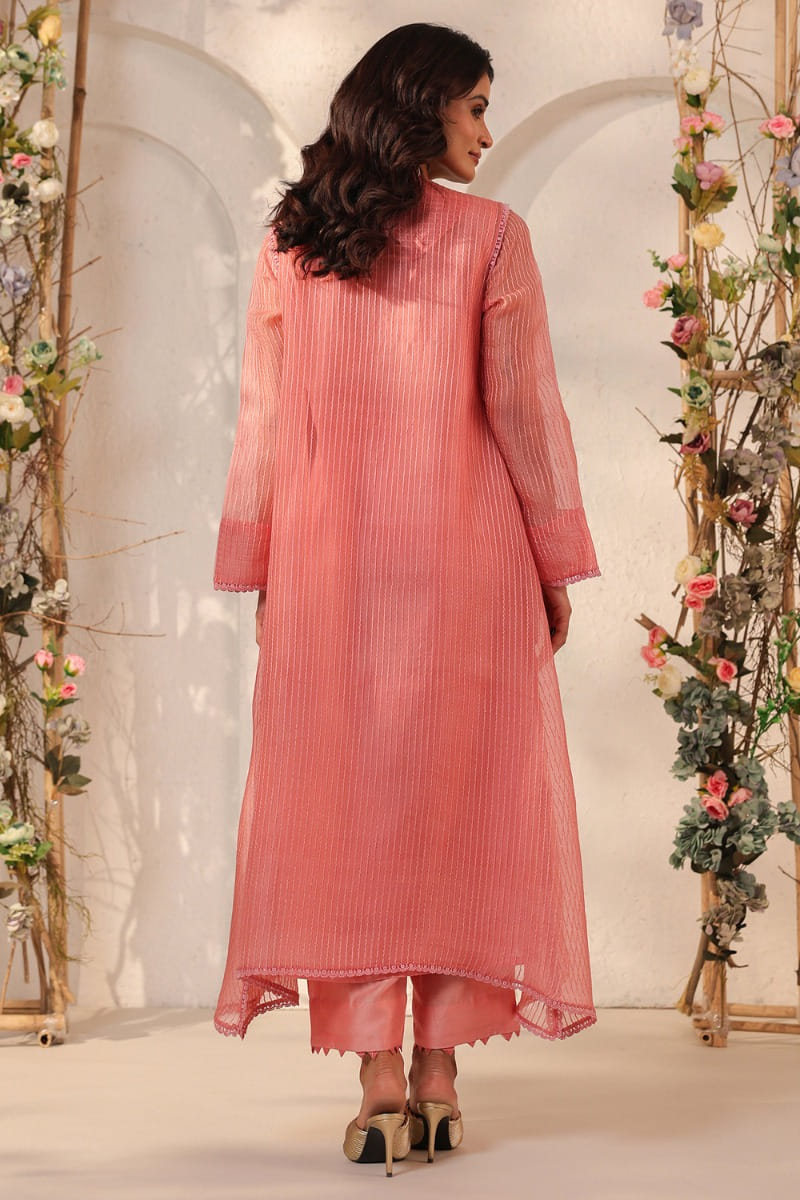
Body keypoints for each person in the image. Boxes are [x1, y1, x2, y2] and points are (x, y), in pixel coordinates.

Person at [212, 22, 601, 1176]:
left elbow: (263, 422)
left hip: (328, 570)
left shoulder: (295, 241)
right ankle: (436, 1076)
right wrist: (550, 561)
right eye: (473, 104)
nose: (486, 127)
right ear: (419, 104)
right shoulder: (490, 238)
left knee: (353, 811)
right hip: (464, 564)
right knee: (455, 804)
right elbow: (523, 414)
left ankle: (380, 1083)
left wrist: (262, 570)